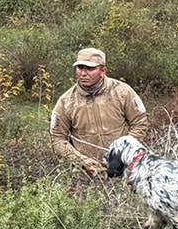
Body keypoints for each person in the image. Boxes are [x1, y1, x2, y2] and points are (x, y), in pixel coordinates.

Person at [50, 47, 148, 175]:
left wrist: (122, 153)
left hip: (125, 168)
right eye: (80, 67)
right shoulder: (66, 102)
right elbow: (58, 138)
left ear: (103, 71)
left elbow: (139, 123)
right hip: (86, 174)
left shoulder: (123, 92)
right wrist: (80, 160)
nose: (83, 73)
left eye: (90, 68)